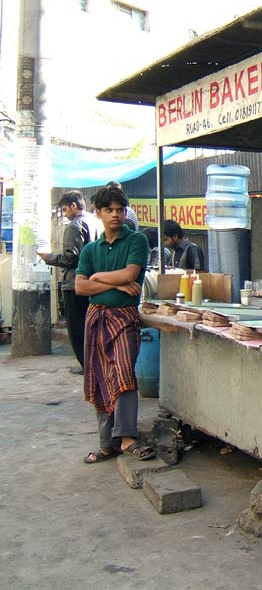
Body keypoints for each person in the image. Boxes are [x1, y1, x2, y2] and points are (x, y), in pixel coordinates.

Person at [75, 183, 156, 464]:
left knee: (123, 373)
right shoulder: (90, 249)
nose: (115, 215)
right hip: (96, 318)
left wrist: (96, 278)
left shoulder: (136, 240)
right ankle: (107, 443)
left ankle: (128, 437)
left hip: (123, 319)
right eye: (109, 210)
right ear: (98, 212)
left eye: (120, 210)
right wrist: (117, 284)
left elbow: (131, 273)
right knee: (99, 378)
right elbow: (79, 287)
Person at [38, 191, 100, 374]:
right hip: (93, 281)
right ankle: (94, 364)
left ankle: (86, 366)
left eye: (65, 209)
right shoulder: (95, 221)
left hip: (74, 283)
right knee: (91, 326)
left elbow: (70, 258)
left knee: (77, 328)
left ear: (74, 205)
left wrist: (48, 257)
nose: (65, 214)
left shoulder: (75, 225)